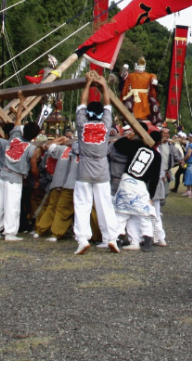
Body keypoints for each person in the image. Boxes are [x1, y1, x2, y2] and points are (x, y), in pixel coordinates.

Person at [73, 72, 122, 255]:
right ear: (101, 114)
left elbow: (82, 104)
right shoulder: (106, 124)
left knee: (82, 205)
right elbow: (108, 105)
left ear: (87, 113)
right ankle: (112, 239)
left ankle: (83, 239)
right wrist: (103, 86)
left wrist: (87, 84)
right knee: (105, 205)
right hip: (102, 169)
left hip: (84, 168)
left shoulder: (81, 124)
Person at [0, 106, 40, 241]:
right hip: (15, 178)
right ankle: (10, 233)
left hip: (3, 174)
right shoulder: (32, 148)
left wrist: (21, 102)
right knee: (12, 205)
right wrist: (36, 179)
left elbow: (17, 121)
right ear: (35, 136)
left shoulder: (14, 136)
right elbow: (33, 169)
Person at [112, 125, 163, 251]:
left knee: (121, 212)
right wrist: (150, 196)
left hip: (126, 181)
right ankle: (146, 242)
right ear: (159, 143)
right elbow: (155, 178)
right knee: (144, 214)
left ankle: (116, 239)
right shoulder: (157, 156)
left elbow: (117, 145)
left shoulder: (136, 146)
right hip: (140, 184)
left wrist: (128, 137)